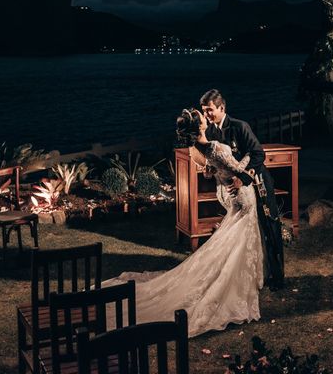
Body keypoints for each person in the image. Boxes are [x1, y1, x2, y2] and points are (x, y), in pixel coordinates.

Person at [103, 108, 264, 337]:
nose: (206, 118)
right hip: (242, 197)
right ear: (200, 126)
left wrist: (219, 168)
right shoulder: (216, 147)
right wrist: (247, 160)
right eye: (202, 116)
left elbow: (214, 168)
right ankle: (234, 291)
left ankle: (234, 283)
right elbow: (236, 169)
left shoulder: (199, 149)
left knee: (232, 244)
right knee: (239, 244)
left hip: (230, 196)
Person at [200, 88, 285, 290]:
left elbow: (258, 155)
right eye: (204, 111)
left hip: (258, 183)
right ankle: (248, 274)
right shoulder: (210, 131)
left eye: (210, 110)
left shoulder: (240, 126)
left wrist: (242, 178)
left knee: (269, 226)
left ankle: (278, 277)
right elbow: (220, 160)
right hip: (235, 192)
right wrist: (210, 169)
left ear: (222, 107)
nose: (207, 115)